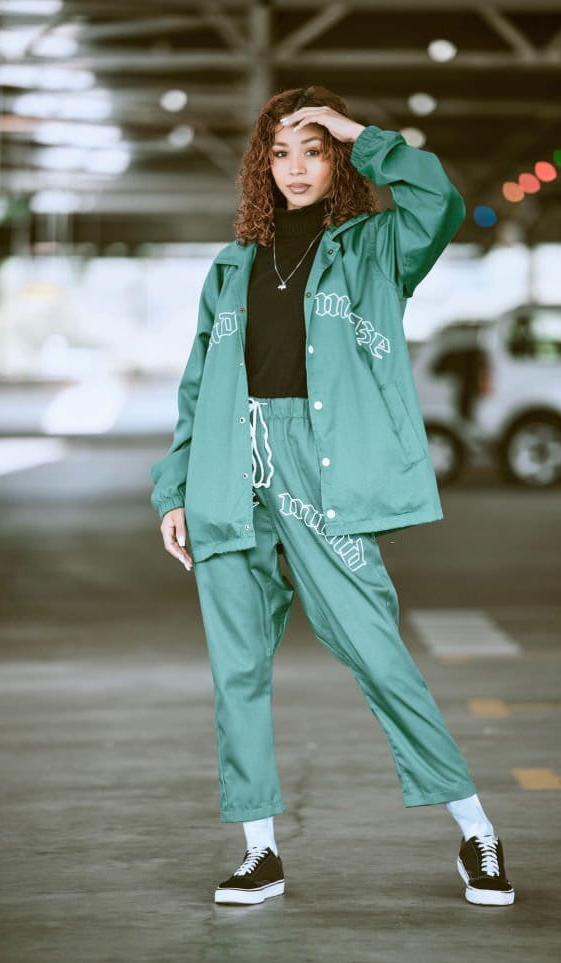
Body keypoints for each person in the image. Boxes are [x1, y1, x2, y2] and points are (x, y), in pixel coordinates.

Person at [150, 85, 515, 908]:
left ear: (338, 158)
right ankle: (259, 852)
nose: (296, 169)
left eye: (313, 150)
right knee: (236, 666)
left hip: (323, 473)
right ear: (260, 167)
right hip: (225, 474)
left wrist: (358, 131)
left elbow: (440, 197)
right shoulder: (232, 264)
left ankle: (476, 832)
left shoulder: (377, 246)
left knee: (376, 653)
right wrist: (172, 486)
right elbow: (199, 383)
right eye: (279, 154)